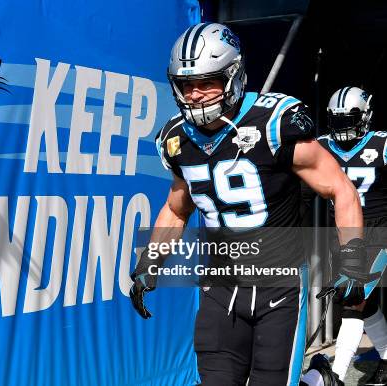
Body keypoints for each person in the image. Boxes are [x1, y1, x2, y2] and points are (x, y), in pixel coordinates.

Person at [129, 22, 365, 386]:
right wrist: (151, 260)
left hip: (280, 286)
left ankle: (316, 381)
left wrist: (353, 257)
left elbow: (340, 189)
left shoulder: (274, 123)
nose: (195, 95)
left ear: (234, 76)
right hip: (220, 287)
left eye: (207, 82)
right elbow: (178, 208)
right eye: (187, 85)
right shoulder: (177, 138)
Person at [302, 87, 387, 385]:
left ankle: (335, 375)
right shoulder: (322, 145)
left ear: (365, 116)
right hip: (340, 235)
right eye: (336, 121)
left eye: (348, 119)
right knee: (364, 301)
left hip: (377, 231)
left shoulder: (382, 144)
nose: (342, 128)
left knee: (354, 299)